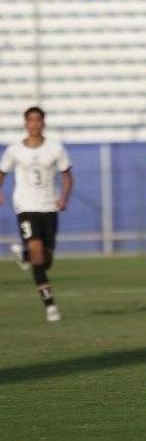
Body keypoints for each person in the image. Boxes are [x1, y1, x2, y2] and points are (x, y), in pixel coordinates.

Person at [0, 107, 73, 322]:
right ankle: (50, 305)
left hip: (49, 207)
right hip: (25, 206)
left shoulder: (55, 149)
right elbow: (2, 173)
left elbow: (67, 176)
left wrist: (64, 198)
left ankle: (23, 256)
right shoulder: (14, 150)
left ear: (43, 123)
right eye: (30, 120)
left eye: (38, 120)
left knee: (46, 260)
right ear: (26, 123)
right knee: (38, 256)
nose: (34, 124)